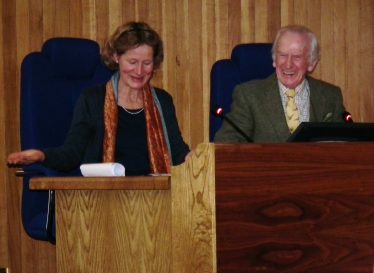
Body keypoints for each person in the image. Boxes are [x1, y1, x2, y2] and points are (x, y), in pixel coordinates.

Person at [8, 21, 191, 175]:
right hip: (103, 199)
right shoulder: (93, 100)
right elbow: (72, 153)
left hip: (156, 199)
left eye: (147, 63)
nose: (139, 71)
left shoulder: (163, 101)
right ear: (116, 57)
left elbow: (177, 153)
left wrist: (198, 158)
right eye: (132, 62)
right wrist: (42, 155)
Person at [214, 25, 346, 143]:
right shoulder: (249, 96)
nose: (288, 64)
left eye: (296, 57)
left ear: (311, 63)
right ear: (274, 60)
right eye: (282, 55)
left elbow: (343, 146)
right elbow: (226, 143)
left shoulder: (330, 96)